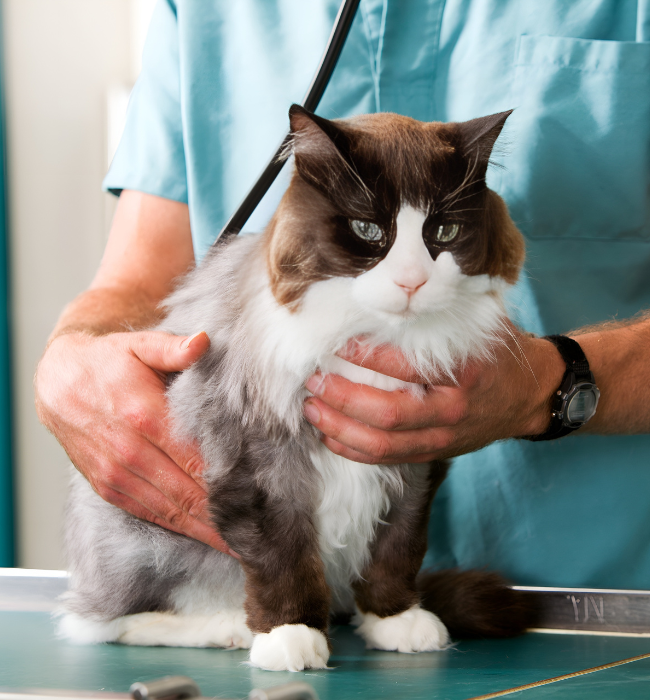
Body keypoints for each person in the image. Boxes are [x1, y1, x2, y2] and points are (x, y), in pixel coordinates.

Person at [35, 0, 650, 586]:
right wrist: (71, 360)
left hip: (592, 604)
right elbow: (137, 283)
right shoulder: (196, 9)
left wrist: (552, 384)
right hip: (265, 592)